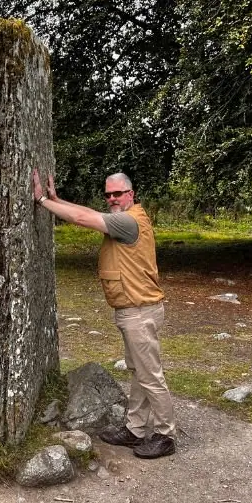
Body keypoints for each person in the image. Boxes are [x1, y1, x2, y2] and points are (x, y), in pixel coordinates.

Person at [32, 170, 176, 459]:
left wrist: (42, 201)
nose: (112, 198)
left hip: (139, 311)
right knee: (139, 373)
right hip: (133, 310)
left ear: (130, 194)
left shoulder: (128, 220)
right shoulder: (124, 217)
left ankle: (165, 434)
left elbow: (84, 219)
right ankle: (135, 429)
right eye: (108, 194)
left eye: (117, 193)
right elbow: (89, 213)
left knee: (150, 376)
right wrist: (59, 199)